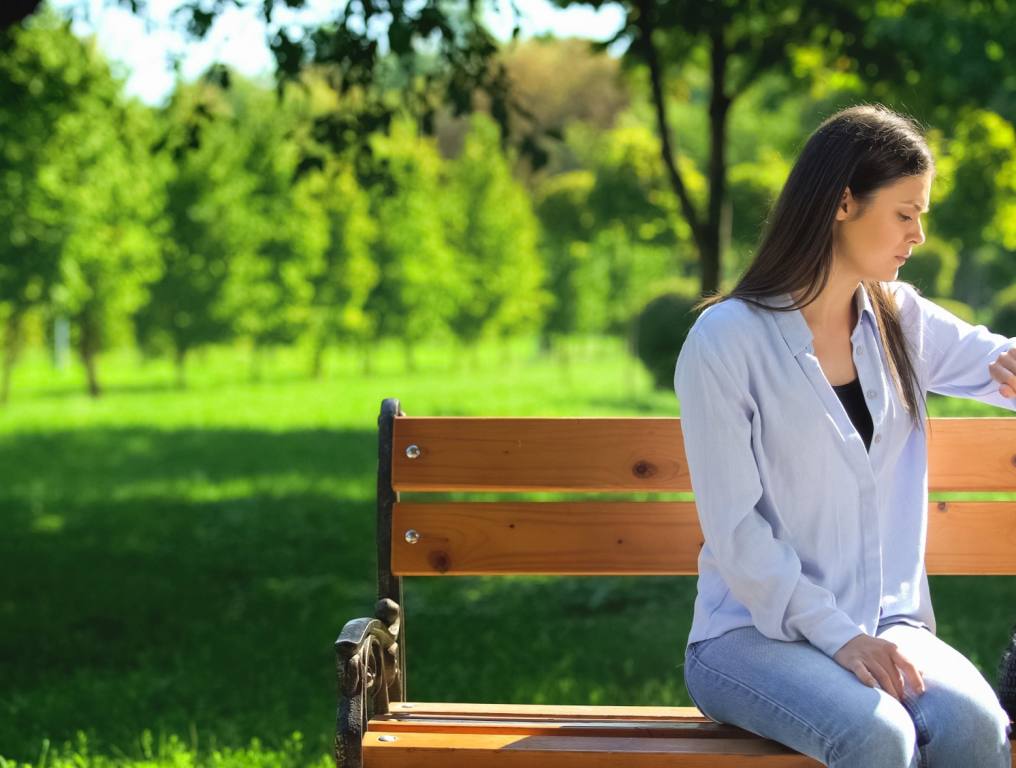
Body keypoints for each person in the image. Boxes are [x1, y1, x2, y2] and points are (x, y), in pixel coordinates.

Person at [673, 103, 1016, 767]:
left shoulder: (899, 320)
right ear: (842, 204)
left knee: (975, 726)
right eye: (904, 213)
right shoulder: (726, 342)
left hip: (886, 622)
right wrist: (839, 639)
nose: (918, 234)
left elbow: (997, 361)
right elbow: (738, 536)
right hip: (748, 635)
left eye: (922, 215)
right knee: (876, 734)